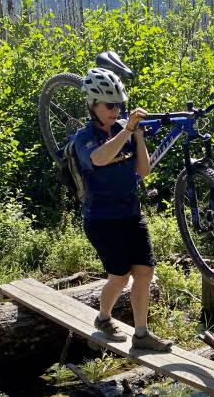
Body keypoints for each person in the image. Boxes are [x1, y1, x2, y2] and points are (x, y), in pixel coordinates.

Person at [72, 66, 172, 352]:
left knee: (144, 272)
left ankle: (141, 335)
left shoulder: (123, 129)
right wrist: (127, 130)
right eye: (109, 105)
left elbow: (144, 170)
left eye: (118, 105)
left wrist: (137, 136)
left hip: (131, 214)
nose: (115, 110)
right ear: (92, 105)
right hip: (102, 220)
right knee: (119, 277)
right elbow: (99, 158)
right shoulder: (84, 136)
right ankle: (103, 318)